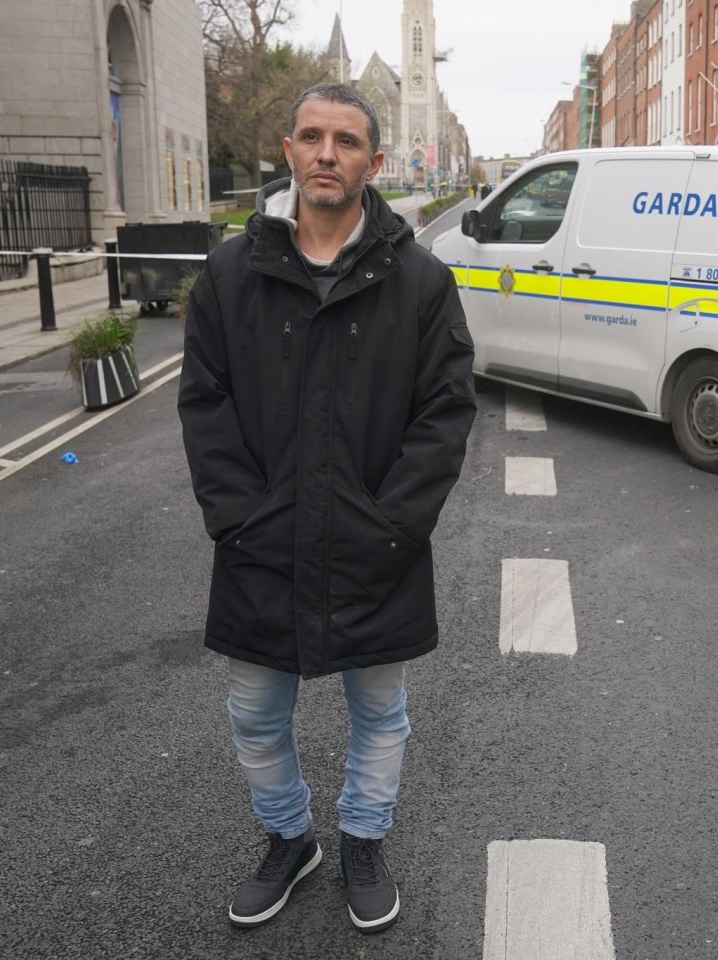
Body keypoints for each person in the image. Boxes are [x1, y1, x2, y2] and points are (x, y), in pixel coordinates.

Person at [177, 82, 476, 932]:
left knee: (380, 714)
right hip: (258, 545)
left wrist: (393, 525)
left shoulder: (418, 281)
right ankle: (288, 837)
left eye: (346, 141)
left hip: (375, 549)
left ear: (373, 163)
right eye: (311, 137)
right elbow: (206, 403)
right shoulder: (232, 273)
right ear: (288, 150)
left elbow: (445, 412)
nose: (326, 154)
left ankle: (361, 838)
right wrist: (238, 517)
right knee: (253, 716)